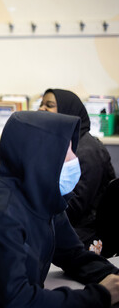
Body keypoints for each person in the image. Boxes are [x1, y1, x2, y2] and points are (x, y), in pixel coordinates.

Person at [0, 110, 119, 307]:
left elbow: (75, 257)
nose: (73, 159)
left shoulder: (44, 199)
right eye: (65, 152)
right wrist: (100, 295)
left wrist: (114, 278)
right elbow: (18, 301)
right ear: (39, 158)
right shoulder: (2, 216)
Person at [39, 89, 116, 247]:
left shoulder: (88, 151)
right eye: (41, 104)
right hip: (64, 222)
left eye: (49, 105)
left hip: (87, 232)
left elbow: (73, 209)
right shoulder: (60, 142)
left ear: (69, 111)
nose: (41, 108)